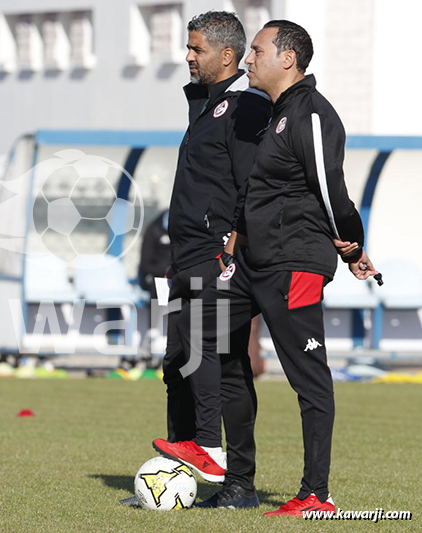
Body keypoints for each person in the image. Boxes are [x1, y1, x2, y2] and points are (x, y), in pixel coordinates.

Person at [153, 20, 378, 517]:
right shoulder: (277, 113)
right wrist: (237, 241)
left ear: (288, 59)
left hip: (294, 262)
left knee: (308, 381)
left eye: (256, 51)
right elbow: (260, 190)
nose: (250, 59)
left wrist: (353, 245)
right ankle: (209, 448)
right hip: (256, 261)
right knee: (199, 329)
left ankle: (316, 495)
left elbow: (329, 188)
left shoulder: (310, 115)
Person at [152, 11, 271, 509]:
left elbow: (252, 186)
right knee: (178, 364)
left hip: (216, 256)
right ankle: (176, 481)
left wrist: (231, 247)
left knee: (224, 366)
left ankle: (236, 479)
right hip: (185, 258)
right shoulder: (205, 105)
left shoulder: (245, 108)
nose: (187, 56)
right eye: (188, 46)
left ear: (227, 55)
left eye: (196, 49)